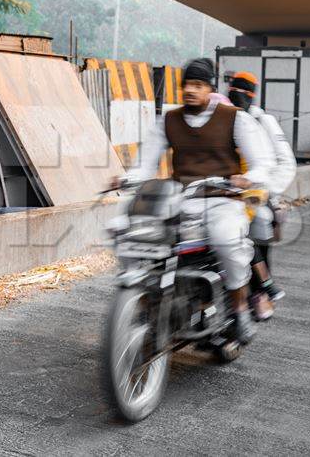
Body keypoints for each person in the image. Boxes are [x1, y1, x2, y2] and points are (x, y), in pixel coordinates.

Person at [123, 58, 274, 343]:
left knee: (227, 240)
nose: (190, 90)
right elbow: (145, 164)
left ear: (210, 88)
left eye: (198, 85)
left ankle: (239, 308)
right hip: (180, 199)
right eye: (186, 85)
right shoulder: (168, 119)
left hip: (222, 200)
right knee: (132, 231)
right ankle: (142, 299)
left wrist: (248, 178)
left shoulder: (234, 118)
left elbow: (263, 163)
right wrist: (127, 179)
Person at [227, 72, 296, 321]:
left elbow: (286, 162)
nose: (237, 96)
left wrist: (267, 189)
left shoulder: (263, 121)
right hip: (223, 188)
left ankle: (262, 289)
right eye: (233, 91)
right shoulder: (221, 116)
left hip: (258, 189)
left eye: (243, 94)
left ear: (252, 96)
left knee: (258, 220)